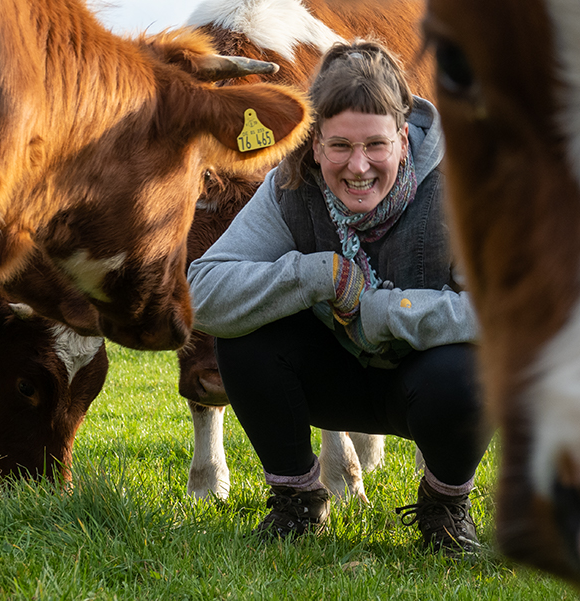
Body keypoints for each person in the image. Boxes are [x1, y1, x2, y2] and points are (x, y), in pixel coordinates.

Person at [186, 40, 490, 555]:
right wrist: (315, 275)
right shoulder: (288, 186)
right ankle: (298, 504)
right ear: (315, 144)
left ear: (402, 136)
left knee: (472, 373)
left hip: (426, 385)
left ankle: (444, 508)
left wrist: (394, 313)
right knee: (243, 337)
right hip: (330, 380)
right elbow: (203, 291)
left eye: (375, 144)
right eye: (339, 146)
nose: (358, 167)